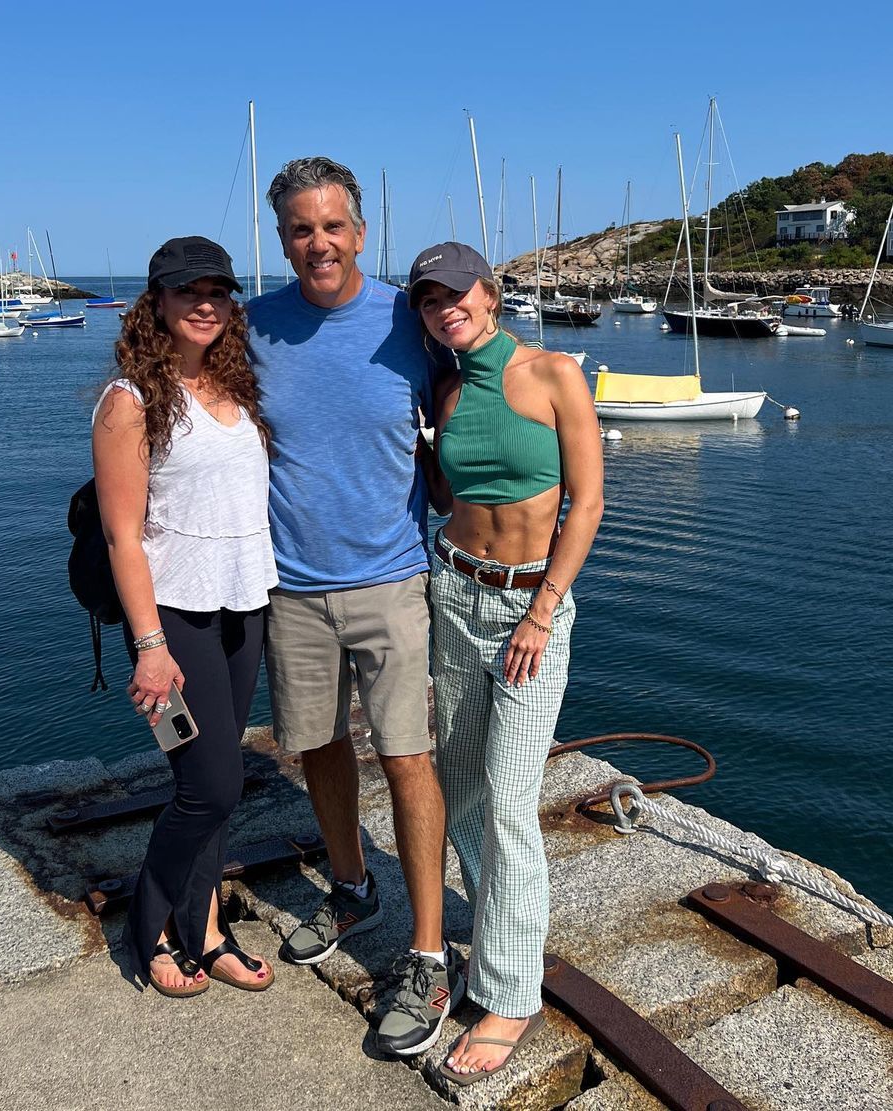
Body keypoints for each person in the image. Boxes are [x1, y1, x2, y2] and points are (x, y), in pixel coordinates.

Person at [247, 157, 461, 1056]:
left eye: (332, 226)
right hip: (291, 586)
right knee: (318, 744)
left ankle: (427, 953)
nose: (319, 243)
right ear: (282, 239)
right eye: (301, 229)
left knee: (408, 757)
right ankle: (350, 886)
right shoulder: (251, 327)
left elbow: (482, 390)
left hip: (392, 578)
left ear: (361, 233)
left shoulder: (410, 321)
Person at [407, 242, 603, 1085]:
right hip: (455, 591)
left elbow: (587, 502)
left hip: (530, 610)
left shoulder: (555, 374)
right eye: (429, 300)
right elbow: (447, 495)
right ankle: (495, 937)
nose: (445, 307)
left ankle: (511, 992)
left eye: (457, 292)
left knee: (512, 800)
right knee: (462, 789)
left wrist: (543, 609)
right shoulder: (447, 390)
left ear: (489, 294)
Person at [93, 236, 278, 999]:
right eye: (187, 291)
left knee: (218, 776)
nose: (205, 303)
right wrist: (149, 646)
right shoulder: (129, 401)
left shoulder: (239, 387)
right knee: (209, 784)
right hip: (171, 626)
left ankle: (205, 927)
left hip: (243, 610)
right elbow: (121, 536)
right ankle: (151, 924)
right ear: (158, 302)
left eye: (217, 291)